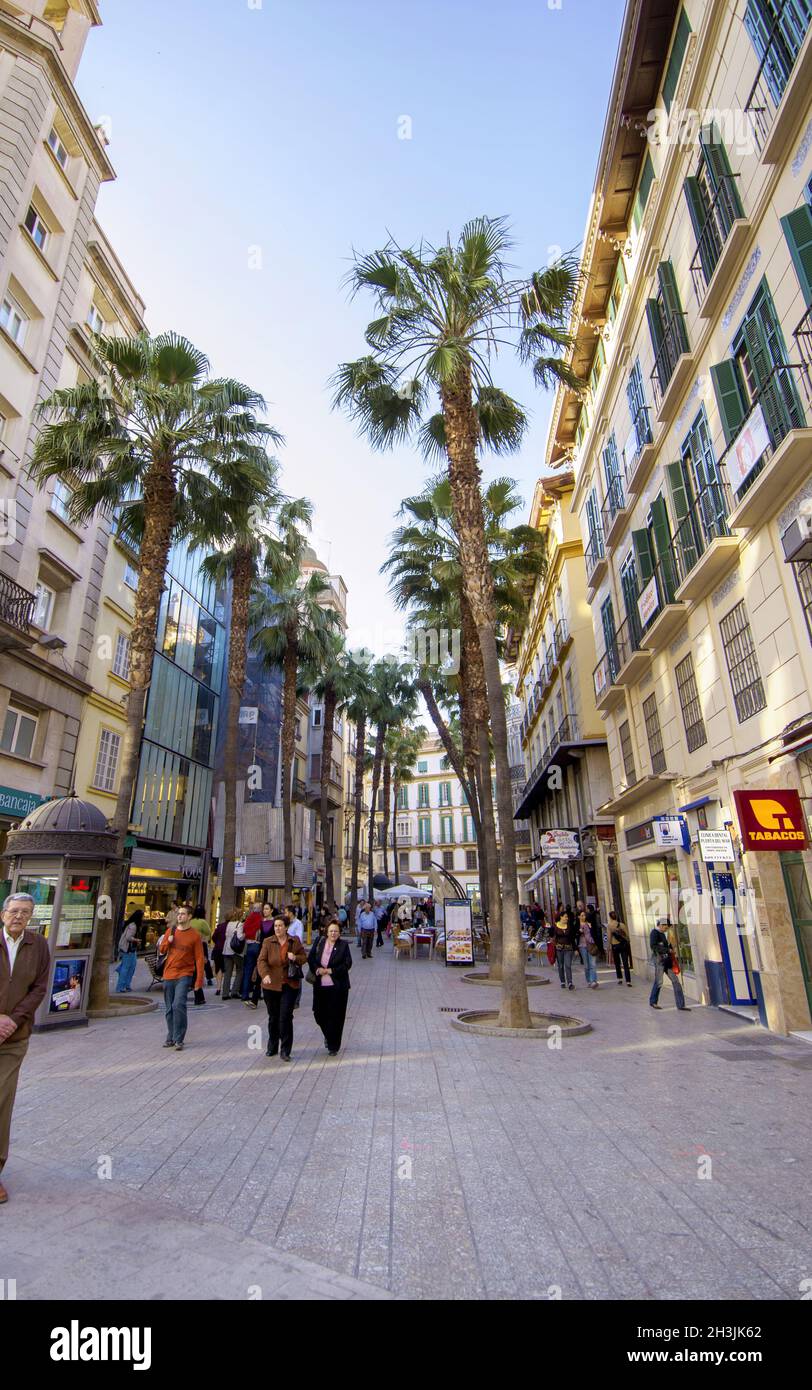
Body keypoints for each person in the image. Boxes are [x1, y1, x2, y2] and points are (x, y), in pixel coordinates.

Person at [0, 893, 51, 1203]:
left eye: (25, 912)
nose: (19, 916)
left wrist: (12, 1021)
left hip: (13, 1039)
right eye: (14, 911)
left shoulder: (38, 945)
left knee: (2, 1104)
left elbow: (40, 988)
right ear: (3, 912)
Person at [257, 917, 308, 1060]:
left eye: (280, 926)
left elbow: (304, 957)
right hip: (270, 985)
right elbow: (261, 960)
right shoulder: (268, 942)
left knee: (285, 1017)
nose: (277, 928)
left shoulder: (294, 941)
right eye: (275, 926)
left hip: (288, 984)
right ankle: (272, 1045)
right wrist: (265, 974)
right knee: (273, 1017)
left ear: (286, 927)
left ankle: (285, 1050)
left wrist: (295, 958)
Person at [157, 905, 204, 1051]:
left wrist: (199, 981)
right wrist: (168, 941)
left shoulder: (195, 935)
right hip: (169, 974)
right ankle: (170, 1036)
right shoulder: (170, 931)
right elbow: (162, 950)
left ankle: (179, 1038)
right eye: (179, 914)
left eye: (183, 914)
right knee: (169, 1007)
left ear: (189, 916)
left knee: (179, 1005)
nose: (180, 916)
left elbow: (199, 958)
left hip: (185, 974)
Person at [308, 919, 352, 1055]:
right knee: (319, 1014)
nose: (333, 933)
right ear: (326, 932)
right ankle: (328, 1035)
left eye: (336, 931)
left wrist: (331, 970)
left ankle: (334, 1046)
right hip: (320, 985)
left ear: (339, 933)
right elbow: (311, 958)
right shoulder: (319, 942)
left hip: (338, 988)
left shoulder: (343, 945)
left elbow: (347, 964)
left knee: (336, 1017)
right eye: (331, 931)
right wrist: (317, 969)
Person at [649, 920, 691, 1011]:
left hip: (667, 961)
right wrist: (667, 950)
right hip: (659, 961)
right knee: (659, 982)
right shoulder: (654, 933)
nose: (666, 929)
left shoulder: (663, 935)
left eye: (667, 928)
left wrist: (671, 948)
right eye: (665, 927)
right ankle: (653, 1001)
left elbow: (666, 947)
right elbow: (653, 946)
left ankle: (681, 1005)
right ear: (660, 925)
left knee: (676, 981)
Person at [239, 900, 264, 1004]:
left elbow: (244, 930)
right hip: (257, 945)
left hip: (249, 946)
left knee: (248, 971)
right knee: (259, 970)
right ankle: (256, 993)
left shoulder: (248, 919)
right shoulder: (260, 919)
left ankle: (244, 994)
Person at [221, 910, 245, 1000]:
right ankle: (235, 991)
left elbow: (226, 935)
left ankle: (225, 993)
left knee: (228, 972)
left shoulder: (229, 924)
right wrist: (245, 935)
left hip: (226, 949)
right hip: (235, 950)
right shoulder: (240, 924)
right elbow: (239, 937)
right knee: (240, 970)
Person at [552, 907, 577, 990]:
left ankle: (570, 982)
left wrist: (575, 949)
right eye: (565, 917)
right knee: (561, 966)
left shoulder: (570, 926)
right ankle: (562, 981)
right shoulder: (556, 926)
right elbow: (552, 936)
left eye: (567, 917)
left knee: (568, 965)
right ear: (561, 917)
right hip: (559, 949)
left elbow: (572, 938)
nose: (567, 918)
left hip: (568, 948)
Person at [115, 915, 139, 993]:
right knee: (127, 967)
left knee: (131, 966)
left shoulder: (131, 925)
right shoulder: (133, 926)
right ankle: (121, 986)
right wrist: (136, 940)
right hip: (128, 949)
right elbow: (128, 937)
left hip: (130, 949)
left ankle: (126, 985)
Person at [609, 911, 632, 986]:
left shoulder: (610, 926)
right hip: (623, 945)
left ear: (610, 917)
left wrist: (609, 945)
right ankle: (628, 981)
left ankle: (620, 978)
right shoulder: (622, 925)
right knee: (625, 963)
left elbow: (609, 937)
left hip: (615, 945)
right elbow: (627, 935)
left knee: (617, 963)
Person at [577, 910, 599, 989]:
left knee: (592, 964)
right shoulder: (576, 925)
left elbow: (594, 934)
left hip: (591, 945)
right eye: (582, 915)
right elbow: (575, 936)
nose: (583, 917)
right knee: (586, 965)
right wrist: (579, 932)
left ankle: (593, 981)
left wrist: (590, 927)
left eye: (584, 915)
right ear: (579, 916)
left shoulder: (589, 924)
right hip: (582, 946)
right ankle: (589, 981)